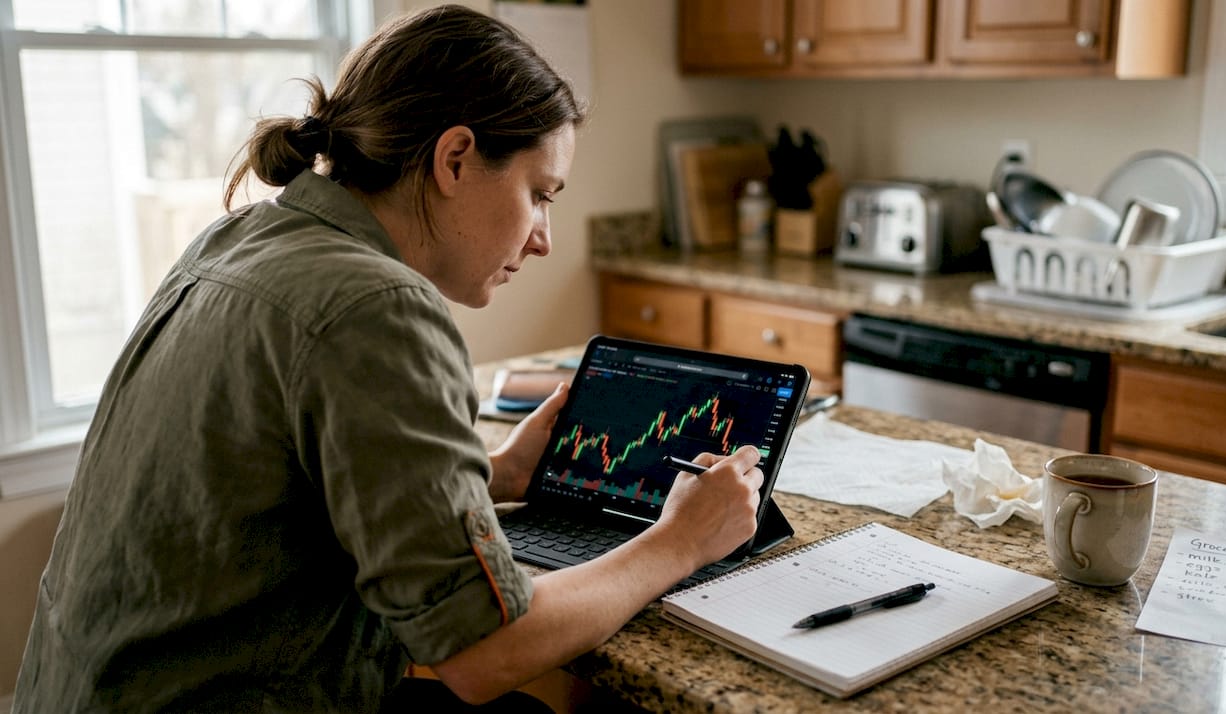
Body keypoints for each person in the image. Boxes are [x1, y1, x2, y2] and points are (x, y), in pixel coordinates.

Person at [13, 5, 765, 712]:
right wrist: (680, 541)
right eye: (540, 194)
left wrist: (496, 472)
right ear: (457, 157)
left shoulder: (235, 240)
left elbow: (286, 482)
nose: (543, 238)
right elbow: (484, 653)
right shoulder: (379, 306)